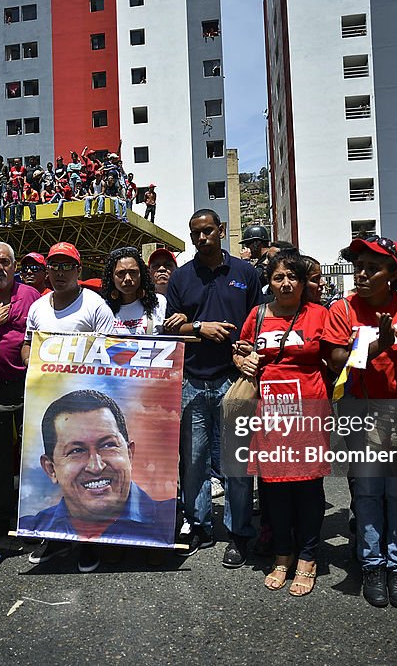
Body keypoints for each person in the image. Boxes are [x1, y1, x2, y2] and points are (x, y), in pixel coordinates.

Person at [326, 236, 397, 609]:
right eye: (359, 265)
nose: (362, 273)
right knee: (367, 491)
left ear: (394, 273)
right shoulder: (344, 308)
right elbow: (336, 359)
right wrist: (379, 346)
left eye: (373, 267)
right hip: (358, 410)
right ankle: (372, 565)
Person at [165, 209, 263, 565]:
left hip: (234, 380)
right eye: (196, 233)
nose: (202, 237)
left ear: (221, 231)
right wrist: (200, 327)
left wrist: (246, 353)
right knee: (193, 462)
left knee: (235, 464)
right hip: (191, 380)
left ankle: (239, 533)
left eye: (208, 230)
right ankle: (200, 525)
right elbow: (171, 328)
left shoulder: (244, 273)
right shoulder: (180, 277)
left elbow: (258, 321)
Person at [232, 251, 331, 596]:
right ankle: (282, 553)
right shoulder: (258, 314)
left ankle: (307, 556)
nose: (286, 283)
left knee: (307, 486)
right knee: (274, 485)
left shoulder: (319, 315)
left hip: (309, 409)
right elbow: (241, 349)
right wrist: (242, 360)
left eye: (292, 277)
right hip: (270, 412)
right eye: (278, 278)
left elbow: (336, 357)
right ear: (269, 282)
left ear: (304, 282)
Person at [21, 242, 116, 572]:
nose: (60, 272)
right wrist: (41, 367)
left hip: (85, 401)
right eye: (54, 266)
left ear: (79, 271)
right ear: (47, 270)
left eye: (67, 266)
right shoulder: (38, 308)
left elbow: (109, 354)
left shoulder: (95, 305)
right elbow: (26, 350)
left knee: (88, 474)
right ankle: (56, 539)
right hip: (46, 401)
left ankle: (89, 544)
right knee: (57, 476)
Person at [20, 389, 176, 544]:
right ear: (51, 469)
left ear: (129, 454)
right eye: (77, 450)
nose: (96, 466)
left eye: (108, 445)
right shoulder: (33, 527)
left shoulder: (170, 521)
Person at [0, 241, 40, 545]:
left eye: (5, 262)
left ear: (15, 266)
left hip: (29, 387)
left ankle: (33, 519)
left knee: (35, 457)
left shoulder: (31, 296)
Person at [102, 247, 166, 334]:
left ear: (141, 274)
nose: (127, 278)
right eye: (121, 273)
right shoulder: (103, 308)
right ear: (112, 278)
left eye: (133, 272)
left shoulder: (159, 302)